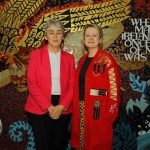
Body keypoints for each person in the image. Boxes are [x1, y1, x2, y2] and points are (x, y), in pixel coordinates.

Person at [25, 19, 75, 150]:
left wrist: (61, 106)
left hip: (62, 106)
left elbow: (72, 86)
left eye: (59, 33)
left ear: (63, 37)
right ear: (46, 36)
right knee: (42, 146)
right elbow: (31, 83)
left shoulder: (69, 58)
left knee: (57, 145)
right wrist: (49, 107)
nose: (55, 36)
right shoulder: (36, 55)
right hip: (40, 106)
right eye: (51, 32)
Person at [71, 24, 120, 150]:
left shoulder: (107, 59)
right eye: (87, 35)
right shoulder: (82, 60)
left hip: (98, 111)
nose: (91, 38)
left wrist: (110, 116)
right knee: (82, 146)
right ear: (84, 39)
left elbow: (114, 89)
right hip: (81, 111)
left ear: (100, 39)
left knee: (97, 145)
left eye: (94, 35)